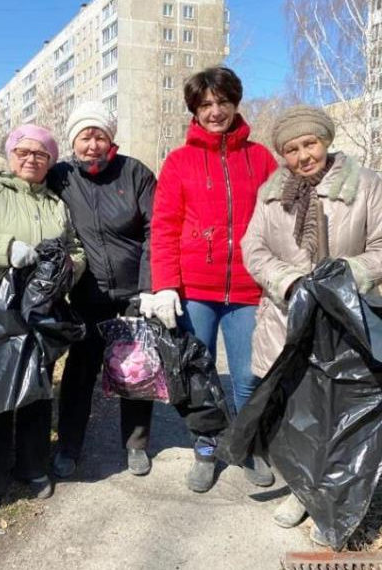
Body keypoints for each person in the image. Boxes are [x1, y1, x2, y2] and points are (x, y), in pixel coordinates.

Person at [240, 104, 382, 546]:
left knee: (341, 414)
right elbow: (253, 248)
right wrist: (290, 282)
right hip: (287, 318)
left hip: (347, 320)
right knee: (299, 415)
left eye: (309, 144)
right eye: (291, 149)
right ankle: (302, 491)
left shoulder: (364, 184)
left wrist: (341, 279)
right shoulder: (271, 191)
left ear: (325, 141)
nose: (302, 156)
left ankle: (334, 501)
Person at [150, 66, 278, 492]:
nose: (215, 111)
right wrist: (166, 283)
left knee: (248, 376)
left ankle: (246, 446)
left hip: (247, 288)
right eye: (205, 104)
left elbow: (279, 220)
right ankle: (205, 446)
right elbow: (164, 225)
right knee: (197, 377)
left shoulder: (259, 158)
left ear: (235, 103)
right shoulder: (180, 161)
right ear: (194, 110)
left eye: (222, 102)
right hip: (195, 291)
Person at [0, 124, 85, 512]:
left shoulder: (56, 203)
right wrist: (7, 249)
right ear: (10, 156)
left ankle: (32, 466)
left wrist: (65, 270)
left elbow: (75, 249)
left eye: (40, 154)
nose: (31, 159)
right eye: (23, 152)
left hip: (40, 312)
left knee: (36, 390)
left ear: (50, 162)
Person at [46, 101, 158, 479]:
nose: (92, 145)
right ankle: (69, 445)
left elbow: (154, 231)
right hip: (85, 296)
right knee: (79, 375)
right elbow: (21, 181)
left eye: (99, 136)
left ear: (111, 139)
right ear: (73, 141)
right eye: (84, 137)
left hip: (132, 295)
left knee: (135, 371)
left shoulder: (134, 172)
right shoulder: (61, 176)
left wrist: (148, 288)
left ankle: (137, 445)